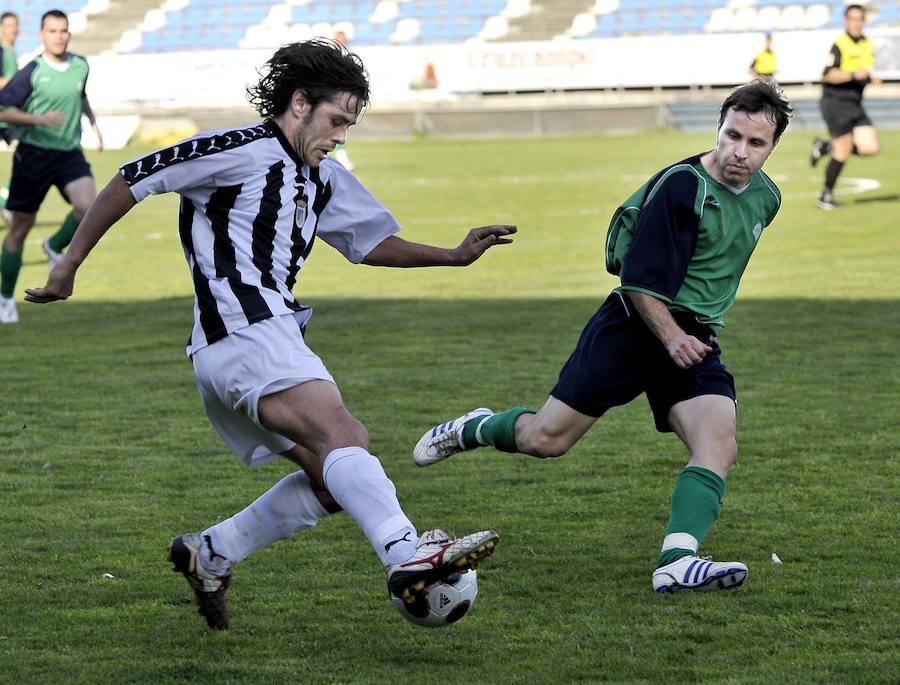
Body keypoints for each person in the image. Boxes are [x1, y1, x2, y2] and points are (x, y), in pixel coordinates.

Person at [25, 39, 512, 630]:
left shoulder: (322, 178)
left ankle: (213, 551)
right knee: (344, 436)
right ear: (300, 103)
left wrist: (453, 256)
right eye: (336, 120)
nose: (341, 136)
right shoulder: (240, 149)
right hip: (246, 331)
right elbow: (134, 176)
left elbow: (369, 242)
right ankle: (406, 555)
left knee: (333, 481)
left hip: (236, 348)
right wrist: (69, 264)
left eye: (350, 125)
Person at [414, 80, 791, 594]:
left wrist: (691, 334)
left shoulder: (767, 199)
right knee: (546, 440)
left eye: (755, 144)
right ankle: (476, 427)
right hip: (636, 325)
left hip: (693, 338)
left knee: (718, 444)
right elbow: (637, 281)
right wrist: (672, 337)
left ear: (774, 147)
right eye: (731, 136)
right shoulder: (683, 187)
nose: (738, 153)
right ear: (718, 128)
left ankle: (677, 561)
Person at [0, 9, 103, 324]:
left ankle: (54, 244)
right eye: (52, 31)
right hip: (33, 155)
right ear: (42, 35)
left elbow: (81, 95)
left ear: (69, 34)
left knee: (90, 206)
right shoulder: (32, 70)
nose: (59, 36)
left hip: (69, 153)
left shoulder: (81, 65)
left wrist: (94, 125)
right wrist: (37, 120)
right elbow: (4, 109)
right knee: (20, 227)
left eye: (63, 31)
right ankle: (5, 298)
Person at [810, 4, 880, 211]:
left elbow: (864, 70)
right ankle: (825, 195)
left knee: (870, 147)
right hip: (835, 101)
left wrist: (871, 77)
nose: (856, 23)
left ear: (864, 21)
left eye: (860, 19)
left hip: (855, 103)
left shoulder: (867, 43)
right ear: (846, 21)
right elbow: (827, 74)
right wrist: (852, 75)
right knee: (843, 149)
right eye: (852, 18)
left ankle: (824, 146)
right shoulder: (839, 45)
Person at [0, 11, 20, 223]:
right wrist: (17, 81)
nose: (13, 29)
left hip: (11, 117)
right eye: (8, 25)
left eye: (15, 25)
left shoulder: (12, 52)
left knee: (25, 157)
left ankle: (3, 198)